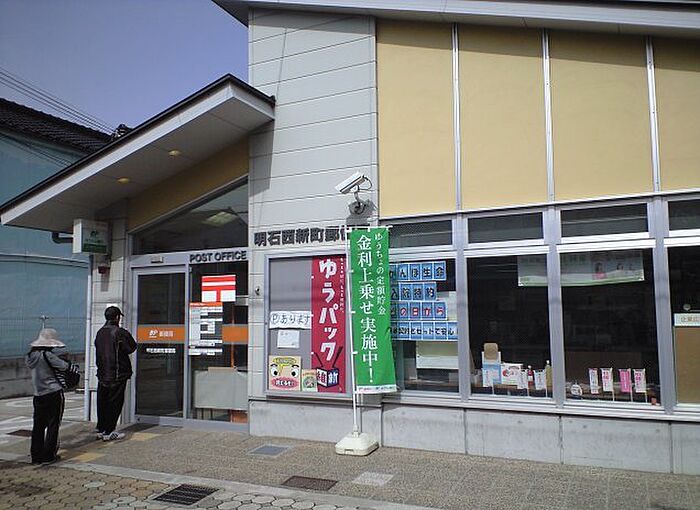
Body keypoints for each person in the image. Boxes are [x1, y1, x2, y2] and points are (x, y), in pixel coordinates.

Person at [25, 328, 70, 464]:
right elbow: (64, 366)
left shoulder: (29, 356)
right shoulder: (48, 356)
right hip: (53, 393)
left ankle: (36, 455)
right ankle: (48, 455)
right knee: (53, 425)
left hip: (38, 394)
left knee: (38, 426)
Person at [95, 306, 136, 441]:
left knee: (102, 402)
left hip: (102, 373)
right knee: (114, 403)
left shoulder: (100, 332)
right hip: (117, 374)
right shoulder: (120, 332)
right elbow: (131, 348)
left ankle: (101, 429)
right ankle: (109, 431)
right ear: (117, 317)